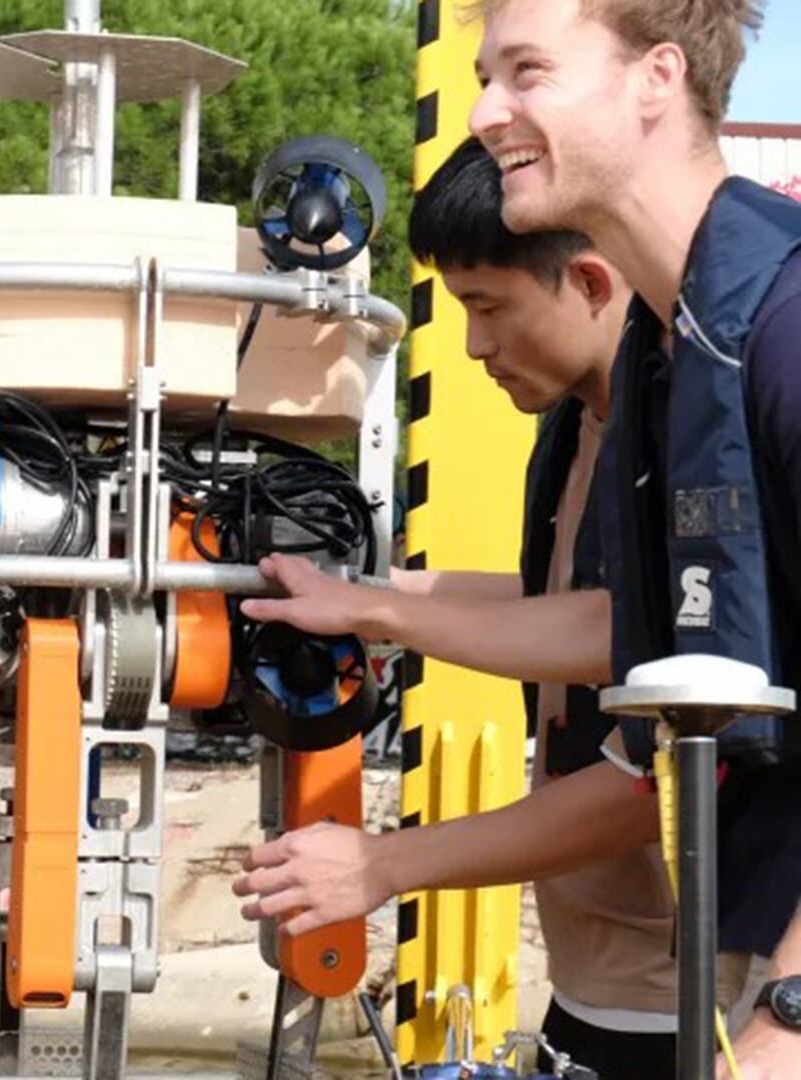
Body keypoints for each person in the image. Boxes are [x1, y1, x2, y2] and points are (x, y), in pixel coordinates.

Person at [233, 137, 679, 1077]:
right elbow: (558, 602)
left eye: (488, 307)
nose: (473, 345)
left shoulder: (684, 434)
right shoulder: (582, 419)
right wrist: (359, 594)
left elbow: (653, 754)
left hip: (698, 1002)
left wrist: (384, 864)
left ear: (592, 283)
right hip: (595, 981)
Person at [470, 2, 801, 1073]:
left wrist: (788, 1020)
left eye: (527, 72)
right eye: (486, 76)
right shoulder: (668, 365)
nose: (485, 113)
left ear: (656, 78)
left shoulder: (784, 335)